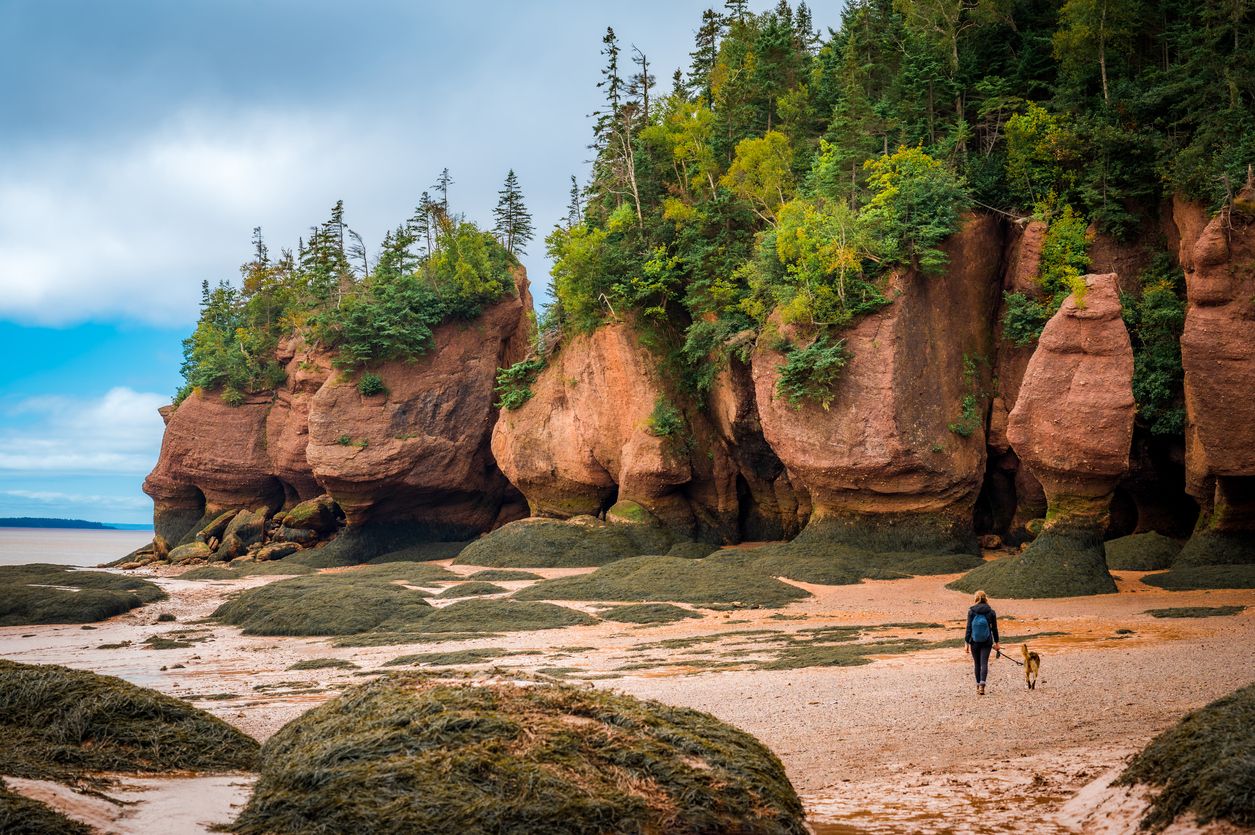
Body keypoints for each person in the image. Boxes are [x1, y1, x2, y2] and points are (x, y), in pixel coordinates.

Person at [964, 590, 1000, 695]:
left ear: (976, 598)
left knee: (977, 664)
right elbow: (994, 629)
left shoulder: (971, 611)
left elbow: (969, 628)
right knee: (984, 663)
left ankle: (977, 684)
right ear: (986, 598)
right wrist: (997, 642)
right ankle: (982, 686)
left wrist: (966, 643)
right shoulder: (991, 612)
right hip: (987, 641)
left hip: (974, 641)